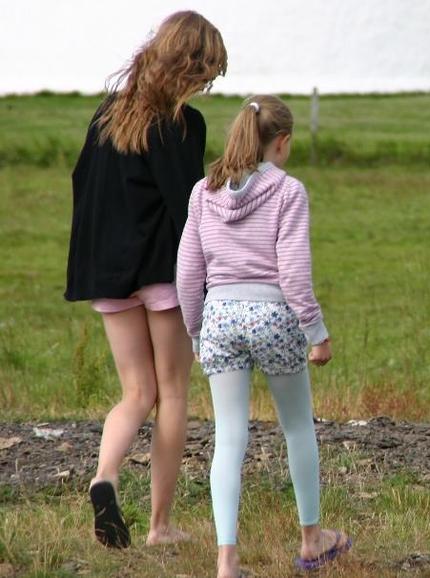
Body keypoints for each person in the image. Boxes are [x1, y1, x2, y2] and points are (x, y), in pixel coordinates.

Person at [65, 11, 227, 549]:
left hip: (106, 270)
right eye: (207, 73)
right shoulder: (182, 123)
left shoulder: (106, 116)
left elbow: (82, 184)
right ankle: (160, 526)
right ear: (190, 66)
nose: (206, 85)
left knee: (136, 392)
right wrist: (206, 280)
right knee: (173, 392)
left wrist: (92, 261)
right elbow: (190, 208)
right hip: (162, 269)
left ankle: (104, 476)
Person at [176, 95, 351, 578]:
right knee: (297, 427)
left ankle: (226, 560)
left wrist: (196, 330)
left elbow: (189, 273)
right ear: (283, 142)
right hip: (273, 316)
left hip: (221, 319)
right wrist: (317, 333)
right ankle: (312, 540)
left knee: (229, 436)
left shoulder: (202, 192)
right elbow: (293, 273)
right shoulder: (288, 191)